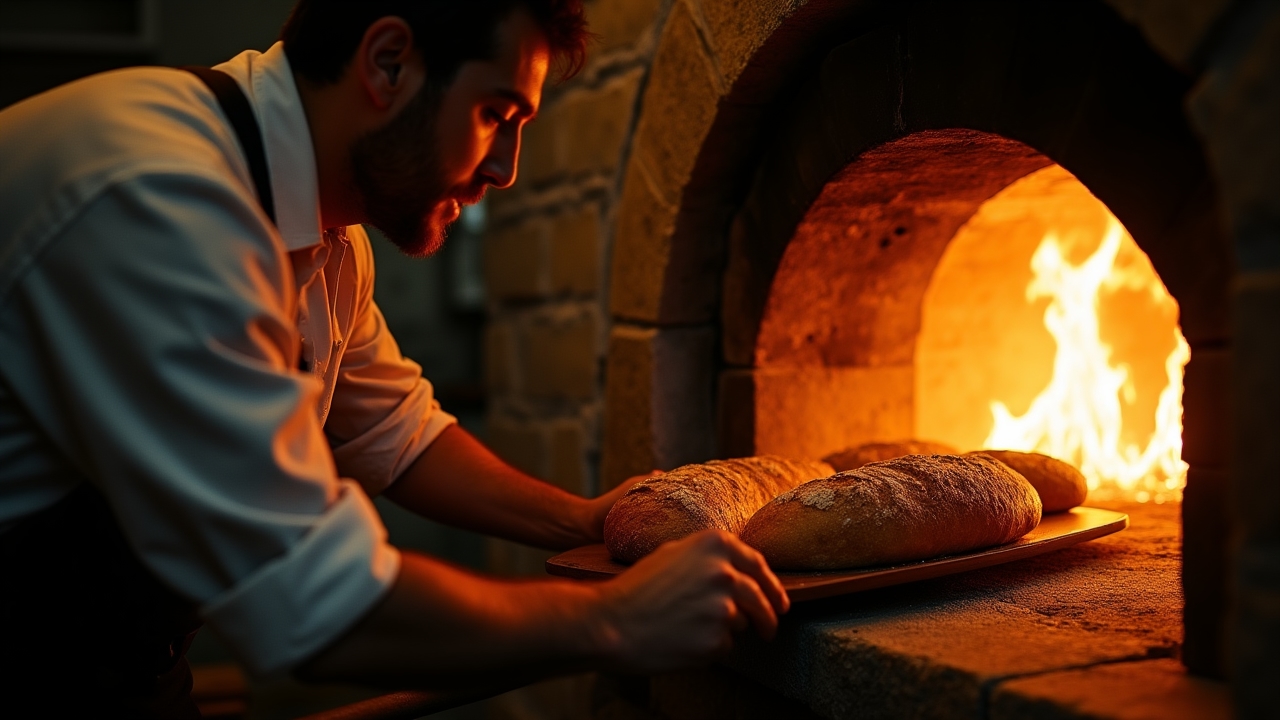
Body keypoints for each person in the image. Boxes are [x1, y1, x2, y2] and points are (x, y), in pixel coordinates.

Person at [0, 0, 788, 715]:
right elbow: (319, 609)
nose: (503, 169)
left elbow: (402, 438)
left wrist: (585, 520)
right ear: (387, 63)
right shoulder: (158, 204)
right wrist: (614, 620)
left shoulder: (327, 238)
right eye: (495, 113)